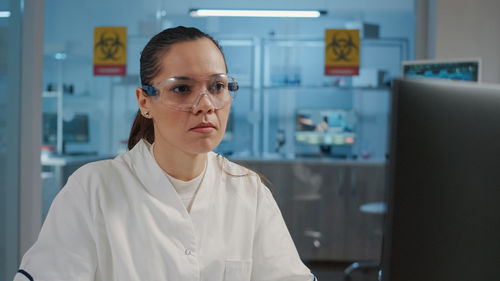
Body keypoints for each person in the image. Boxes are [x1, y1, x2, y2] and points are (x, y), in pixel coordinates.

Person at [14, 26, 317, 281]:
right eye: (182, 88)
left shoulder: (248, 190)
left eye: (218, 86)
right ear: (144, 101)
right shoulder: (93, 189)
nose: (206, 104)